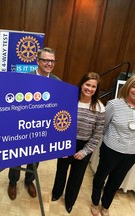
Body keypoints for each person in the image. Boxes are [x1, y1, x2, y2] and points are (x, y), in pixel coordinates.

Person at [7, 47, 61, 200]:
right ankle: (12, 182)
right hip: (22, 127)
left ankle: (29, 180)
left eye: (52, 61)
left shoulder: (58, 82)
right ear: (38, 61)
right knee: (17, 157)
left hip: (42, 128)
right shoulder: (24, 79)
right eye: (46, 60)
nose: (49, 63)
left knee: (35, 156)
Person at [51, 72, 105, 213]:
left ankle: (69, 201)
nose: (90, 88)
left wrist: (85, 151)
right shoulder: (69, 100)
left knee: (77, 176)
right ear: (81, 84)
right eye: (88, 84)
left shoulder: (99, 107)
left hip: (84, 145)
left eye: (94, 86)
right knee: (61, 171)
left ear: (96, 89)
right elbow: (58, 123)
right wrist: (60, 146)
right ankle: (56, 193)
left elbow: (97, 134)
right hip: (66, 142)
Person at [90, 74, 135, 216]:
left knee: (115, 181)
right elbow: (103, 127)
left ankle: (105, 205)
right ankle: (95, 202)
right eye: (134, 87)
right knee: (100, 177)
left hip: (132, 153)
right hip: (111, 150)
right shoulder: (114, 104)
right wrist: (114, 140)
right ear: (128, 87)